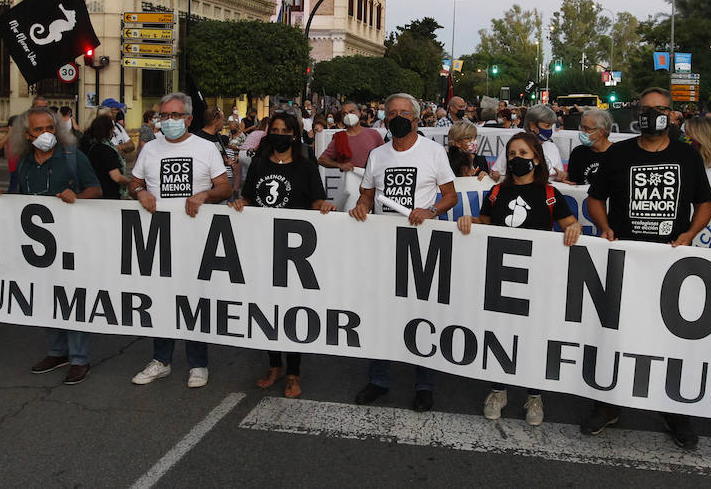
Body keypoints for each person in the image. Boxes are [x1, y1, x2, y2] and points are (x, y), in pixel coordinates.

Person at [583, 86, 711, 449]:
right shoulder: (619, 153)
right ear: (637, 115)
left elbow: (705, 203)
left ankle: (675, 411)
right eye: (646, 109)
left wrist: (689, 233)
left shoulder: (687, 157)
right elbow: (595, 199)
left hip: (670, 262)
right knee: (615, 334)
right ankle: (607, 404)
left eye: (660, 109)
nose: (652, 114)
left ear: (672, 115)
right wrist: (605, 226)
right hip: (626, 260)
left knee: (670, 339)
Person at [458, 131, 581, 426]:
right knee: (500, 332)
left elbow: (569, 223)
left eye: (523, 154)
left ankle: (534, 394)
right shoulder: (497, 193)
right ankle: (498, 391)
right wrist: (469, 220)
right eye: (512, 154)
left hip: (537, 278)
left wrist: (574, 228)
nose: (517, 160)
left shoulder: (551, 195)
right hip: (502, 276)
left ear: (536, 159)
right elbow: (486, 222)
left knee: (534, 337)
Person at [350, 93, 458, 413]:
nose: (398, 117)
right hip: (383, 247)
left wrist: (431, 211)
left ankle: (424, 385)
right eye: (392, 112)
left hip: (420, 248)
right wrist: (361, 206)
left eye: (404, 112)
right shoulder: (378, 155)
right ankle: (378, 379)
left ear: (416, 118)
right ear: (384, 119)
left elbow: (450, 196)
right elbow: (367, 193)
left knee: (420, 316)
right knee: (380, 314)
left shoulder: (433, 153)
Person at [0, 107, 102, 384]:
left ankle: (79, 358)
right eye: (38, 130)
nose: (46, 134)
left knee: (72, 298)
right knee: (45, 297)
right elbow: (18, 198)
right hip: (38, 248)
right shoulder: (24, 162)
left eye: (50, 128)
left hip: (71, 243)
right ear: (27, 135)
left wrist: (79, 196)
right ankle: (57, 351)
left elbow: (95, 189)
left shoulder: (73, 157)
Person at [129, 92, 233, 389]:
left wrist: (203, 195)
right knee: (161, 297)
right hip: (159, 238)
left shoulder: (206, 147)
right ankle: (160, 360)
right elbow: (135, 183)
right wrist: (141, 193)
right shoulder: (149, 149)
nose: (170, 121)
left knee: (194, 299)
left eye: (176, 116)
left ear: (188, 118)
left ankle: (198, 363)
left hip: (196, 238)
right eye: (165, 116)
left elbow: (224, 188)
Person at [230, 111, 333, 398]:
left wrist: (324, 207)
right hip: (264, 250)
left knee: (292, 312)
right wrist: (241, 204)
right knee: (267, 310)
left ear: (293, 134)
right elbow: (249, 196)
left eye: (285, 131)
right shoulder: (260, 164)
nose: (279, 135)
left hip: (295, 254)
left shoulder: (305, 166)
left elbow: (316, 200)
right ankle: (274, 366)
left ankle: (293, 372)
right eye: (274, 130)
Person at [317, 101, 384, 172]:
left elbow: (385, 155)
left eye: (351, 112)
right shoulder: (340, 138)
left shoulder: (373, 134)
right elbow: (322, 160)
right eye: (344, 114)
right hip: (351, 180)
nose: (348, 115)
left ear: (359, 113)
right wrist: (339, 165)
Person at [81, 114, 130, 200]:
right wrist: (130, 182)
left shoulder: (90, 146)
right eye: (112, 129)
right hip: (108, 197)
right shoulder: (107, 150)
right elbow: (116, 177)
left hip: (93, 193)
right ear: (108, 130)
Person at [565, 109, 613, 186]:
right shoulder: (578, 152)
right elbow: (572, 182)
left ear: (601, 132)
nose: (582, 132)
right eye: (581, 127)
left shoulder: (617, 154)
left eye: (586, 128)